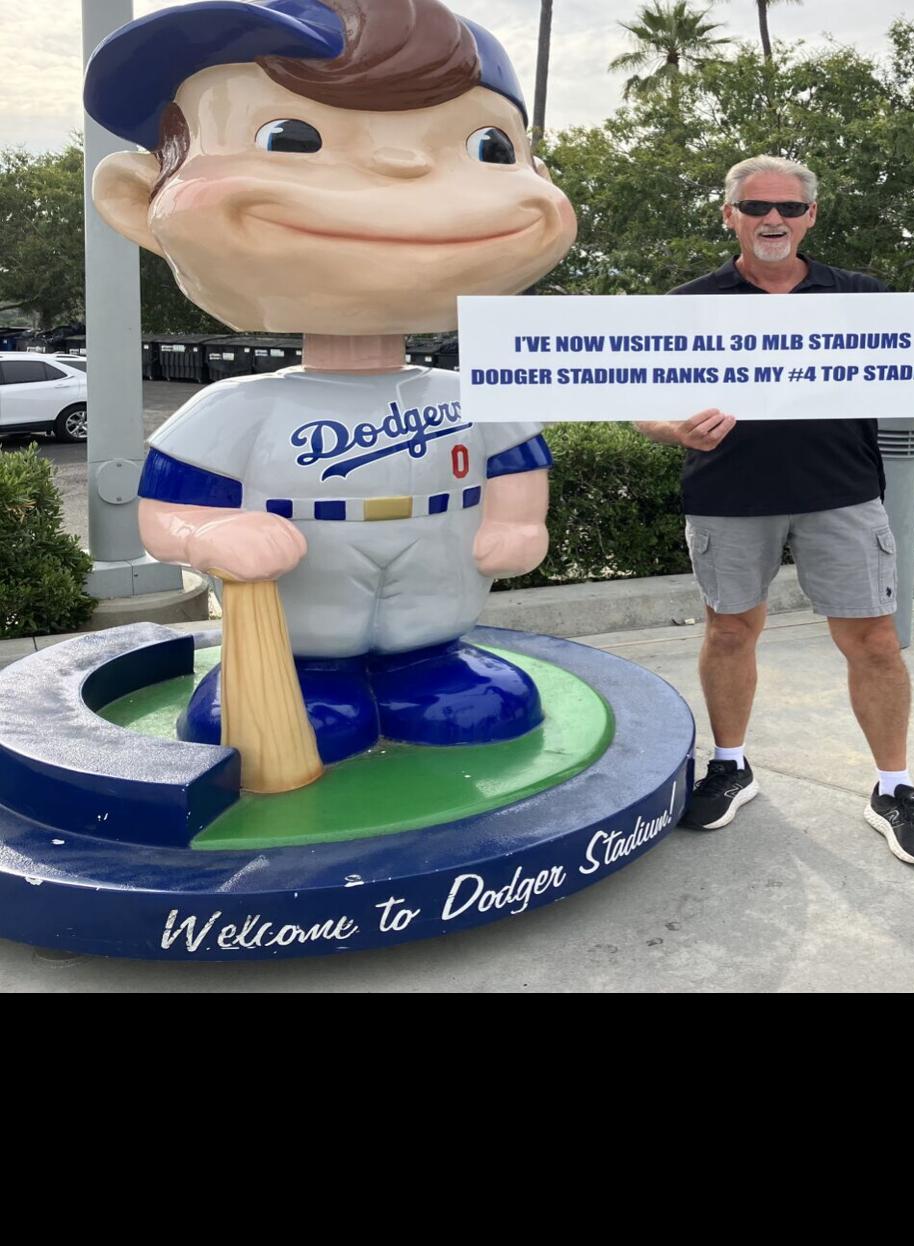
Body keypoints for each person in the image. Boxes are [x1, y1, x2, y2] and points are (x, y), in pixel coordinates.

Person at [84, 0, 577, 762]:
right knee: (291, 721)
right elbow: (169, 513)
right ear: (137, 200)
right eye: (291, 138)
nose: (402, 168)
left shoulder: (465, 391)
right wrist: (211, 534)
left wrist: (516, 523)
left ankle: (426, 669)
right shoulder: (238, 406)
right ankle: (300, 679)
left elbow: (518, 466)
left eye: (486, 146)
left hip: (435, 606)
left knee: (466, 704)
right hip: (291, 633)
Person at [636, 155, 914, 865]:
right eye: (757, 206)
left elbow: (912, 379)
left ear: (812, 217)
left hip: (843, 494)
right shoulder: (688, 301)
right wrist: (673, 430)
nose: (774, 219)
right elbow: (643, 401)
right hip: (728, 497)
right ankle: (731, 766)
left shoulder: (865, 299)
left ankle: (895, 787)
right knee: (730, 633)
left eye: (790, 209)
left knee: (876, 644)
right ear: (729, 214)